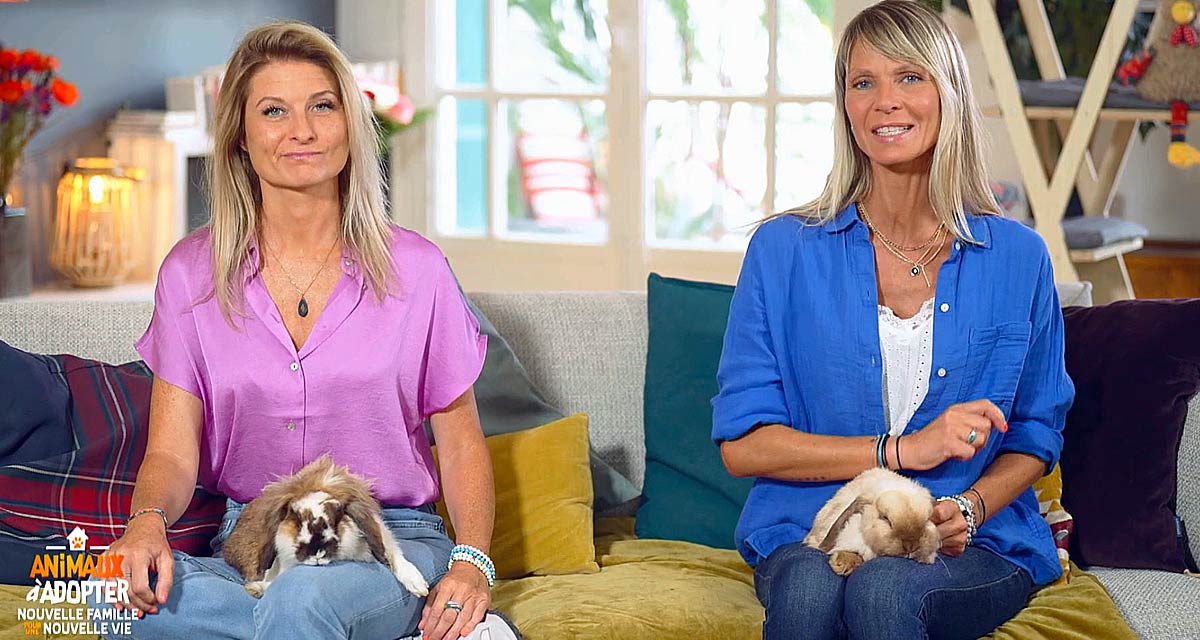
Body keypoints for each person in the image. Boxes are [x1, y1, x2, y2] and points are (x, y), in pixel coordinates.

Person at [94, 21, 518, 640]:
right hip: (255, 542)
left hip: (386, 538)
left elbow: (459, 445)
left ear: (350, 124)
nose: (303, 130)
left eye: (322, 106)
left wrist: (472, 563)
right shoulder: (189, 275)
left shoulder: (418, 269)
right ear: (240, 136)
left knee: (300, 600)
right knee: (104, 602)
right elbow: (171, 453)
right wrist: (146, 525)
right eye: (274, 111)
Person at [711, 2, 1074, 639]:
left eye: (910, 77)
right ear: (845, 106)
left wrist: (970, 506)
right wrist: (903, 450)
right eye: (863, 82)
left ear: (949, 94)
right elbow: (743, 446)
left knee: (881, 590)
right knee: (809, 586)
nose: (885, 101)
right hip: (813, 525)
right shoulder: (782, 251)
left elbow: (1036, 434)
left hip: (974, 540)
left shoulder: (1019, 258)